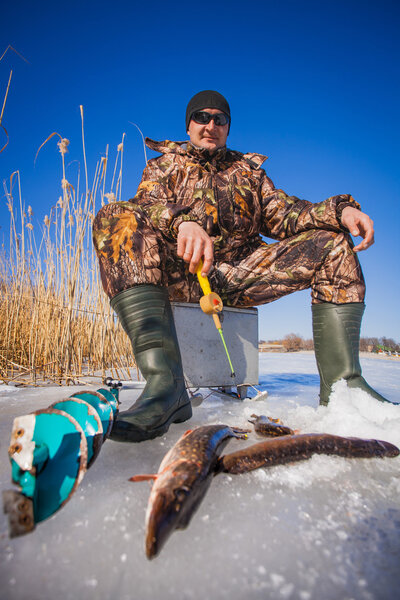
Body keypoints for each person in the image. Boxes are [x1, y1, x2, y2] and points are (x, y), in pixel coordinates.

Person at [93, 90, 391, 443]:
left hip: (240, 275)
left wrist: (339, 211)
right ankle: (166, 388)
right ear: (188, 125)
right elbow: (147, 206)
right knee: (114, 217)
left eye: (220, 119)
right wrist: (181, 222)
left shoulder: (249, 172)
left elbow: (288, 214)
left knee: (333, 244)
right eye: (201, 117)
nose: (211, 125)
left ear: (228, 127)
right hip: (185, 273)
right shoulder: (163, 166)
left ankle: (345, 391)